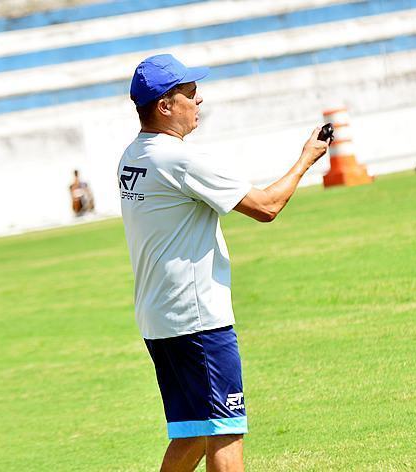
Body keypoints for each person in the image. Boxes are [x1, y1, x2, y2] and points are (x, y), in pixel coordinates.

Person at [117, 54, 329, 472]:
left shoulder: (132, 156)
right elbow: (266, 207)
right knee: (225, 429)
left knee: (193, 432)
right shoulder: (177, 159)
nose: (199, 102)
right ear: (165, 106)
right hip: (197, 319)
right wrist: (307, 158)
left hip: (160, 318)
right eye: (191, 95)